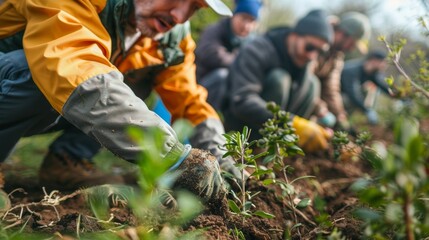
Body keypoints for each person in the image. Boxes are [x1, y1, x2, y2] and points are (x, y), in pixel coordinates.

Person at [0, 0, 235, 201]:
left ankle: (67, 159)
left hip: (51, 98)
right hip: (15, 77)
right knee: (45, 69)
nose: (179, 16)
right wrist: (171, 155)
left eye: (194, 7)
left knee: (126, 82)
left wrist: (223, 158)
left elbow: (189, 100)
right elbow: (74, 68)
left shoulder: (170, 38)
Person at [222, 9, 334, 153]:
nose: (313, 56)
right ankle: (256, 151)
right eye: (310, 47)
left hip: (276, 130)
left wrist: (318, 119)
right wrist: (291, 124)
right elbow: (242, 100)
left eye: (321, 52)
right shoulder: (258, 49)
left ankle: (284, 152)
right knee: (280, 79)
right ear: (294, 35)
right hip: (239, 129)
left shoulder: (305, 62)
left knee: (313, 84)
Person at [195, 0, 262, 111]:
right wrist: (239, 61)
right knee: (222, 76)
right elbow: (211, 54)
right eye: (244, 18)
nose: (246, 26)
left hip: (226, 95)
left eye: (252, 21)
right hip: (199, 85)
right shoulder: (215, 30)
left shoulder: (250, 43)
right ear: (234, 15)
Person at [311, 11, 371, 132]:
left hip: (310, 98)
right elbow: (305, 79)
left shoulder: (337, 56)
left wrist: (340, 116)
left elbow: (331, 89)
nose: (352, 48)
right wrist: (321, 109)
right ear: (343, 34)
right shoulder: (318, 40)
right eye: (353, 43)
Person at [340, 50, 394, 125]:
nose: (385, 66)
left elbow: (383, 86)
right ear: (374, 61)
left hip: (346, 95)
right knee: (350, 100)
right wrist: (367, 110)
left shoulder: (371, 73)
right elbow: (353, 94)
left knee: (364, 92)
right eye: (383, 62)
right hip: (338, 94)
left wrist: (398, 95)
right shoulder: (352, 70)